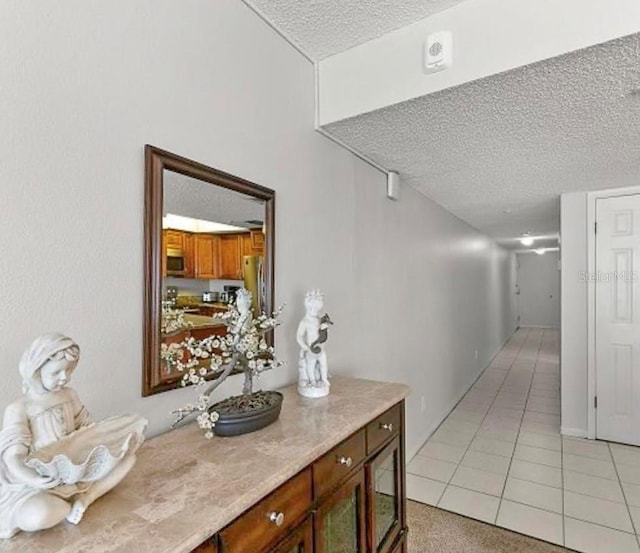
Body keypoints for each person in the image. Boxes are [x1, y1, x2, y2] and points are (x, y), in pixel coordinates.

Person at [0, 333, 146, 538]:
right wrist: (34, 480)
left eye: (69, 370)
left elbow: (89, 430)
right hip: (39, 482)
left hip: (74, 470)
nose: (64, 377)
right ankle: (62, 507)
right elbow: (13, 458)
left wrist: (112, 442)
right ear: (35, 369)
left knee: (128, 458)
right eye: (56, 372)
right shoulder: (19, 408)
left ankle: (85, 499)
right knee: (39, 515)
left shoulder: (69, 395)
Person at [296, 290, 330, 391]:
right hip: (311, 349)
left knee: (324, 363)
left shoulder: (319, 319)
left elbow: (323, 335)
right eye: (314, 309)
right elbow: (299, 336)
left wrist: (325, 328)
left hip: (320, 348)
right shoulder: (305, 321)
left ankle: (323, 379)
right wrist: (304, 347)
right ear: (309, 307)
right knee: (311, 366)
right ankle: (312, 381)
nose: (316, 312)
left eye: (318, 309)